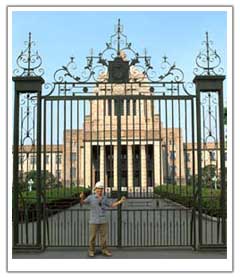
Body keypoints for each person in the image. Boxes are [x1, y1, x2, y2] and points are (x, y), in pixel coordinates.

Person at [80, 181, 126, 257]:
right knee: (92, 237)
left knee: (103, 237)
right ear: (95, 189)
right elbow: (82, 203)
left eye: (101, 189)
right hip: (93, 220)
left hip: (103, 220)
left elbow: (111, 205)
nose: (100, 190)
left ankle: (104, 250)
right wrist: (81, 198)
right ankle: (91, 250)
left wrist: (120, 201)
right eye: (98, 189)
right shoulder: (91, 197)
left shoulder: (105, 198)